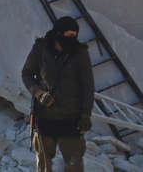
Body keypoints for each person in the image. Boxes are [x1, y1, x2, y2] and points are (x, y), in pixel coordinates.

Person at [22, 16, 95, 172]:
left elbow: (88, 87)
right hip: (44, 117)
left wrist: (85, 115)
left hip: (71, 118)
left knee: (75, 164)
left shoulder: (80, 53)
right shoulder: (41, 49)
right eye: (68, 35)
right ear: (58, 34)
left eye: (75, 35)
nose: (72, 39)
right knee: (44, 165)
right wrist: (39, 93)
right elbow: (26, 74)